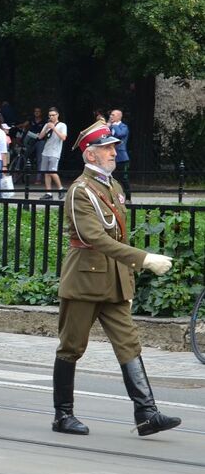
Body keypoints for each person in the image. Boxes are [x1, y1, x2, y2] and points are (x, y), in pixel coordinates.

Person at [51, 120, 179, 437]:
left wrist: (129, 274)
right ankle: (62, 416)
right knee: (71, 347)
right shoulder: (80, 192)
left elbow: (117, 236)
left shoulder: (113, 188)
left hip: (115, 281)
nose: (113, 152)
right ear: (90, 154)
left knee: (129, 344)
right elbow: (94, 238)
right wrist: (144, 259)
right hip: (85, 281)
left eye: (113, 147)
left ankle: (147, 414)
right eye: (107, 148)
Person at [39, 107, 67, 199]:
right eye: (50, 115)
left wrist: (54, 128)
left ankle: (60, 188)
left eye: (53, 115)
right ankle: (49, 193)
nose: (51, 117)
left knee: (52, 171)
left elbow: (63, 137)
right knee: (47, 173)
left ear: (57, 115)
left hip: (55, 152)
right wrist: (46, 127)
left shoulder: (62, 125)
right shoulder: (47, 124)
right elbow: (40, 137)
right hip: (46, 151)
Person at [109, 109, 130, 199]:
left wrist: (114, 125)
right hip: (110, 156)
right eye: (110, 115)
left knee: (124, 178)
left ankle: (128, 198)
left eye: (113, 115)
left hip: (121, 157)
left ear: (119, 117)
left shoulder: (123, 126)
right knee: (111, 178)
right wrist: (107, 126)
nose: (111, 116)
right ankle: (113, 197)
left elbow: (120, 134)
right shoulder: (110, 126)